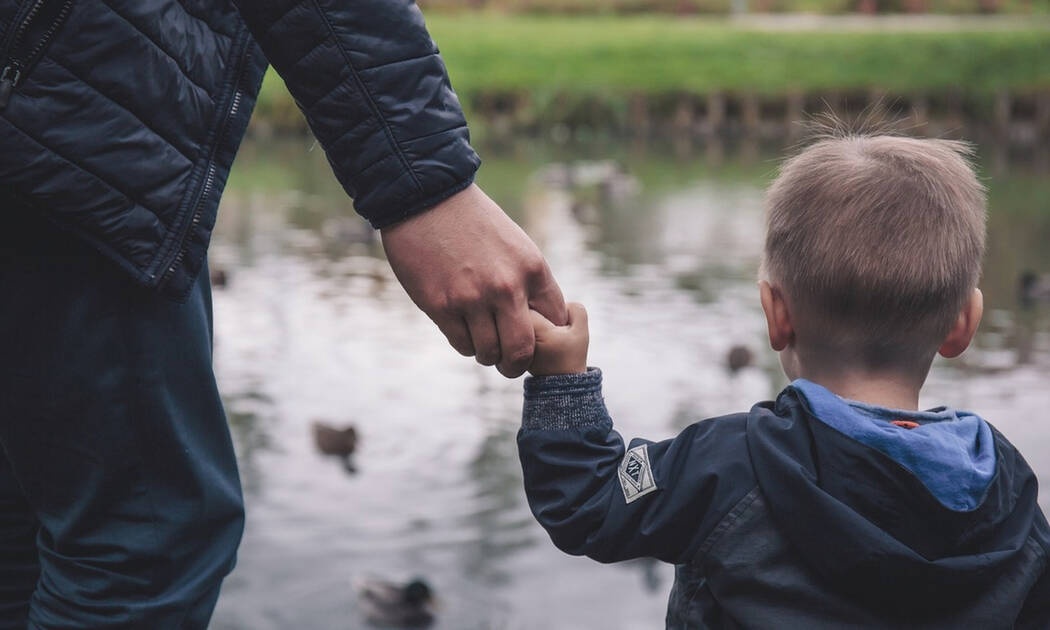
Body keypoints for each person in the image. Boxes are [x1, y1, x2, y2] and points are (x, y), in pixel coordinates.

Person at [0, 0, 564, 627]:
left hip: (44, 102)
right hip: (67, 118)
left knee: (25, 517)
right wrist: (427, 185)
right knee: (139, 545)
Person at [517, 130, 1050, 628]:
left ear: (776, 315)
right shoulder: (1009, 495)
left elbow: (590, 503)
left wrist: (563, 381)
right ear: (964, 325)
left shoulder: (725, 465)